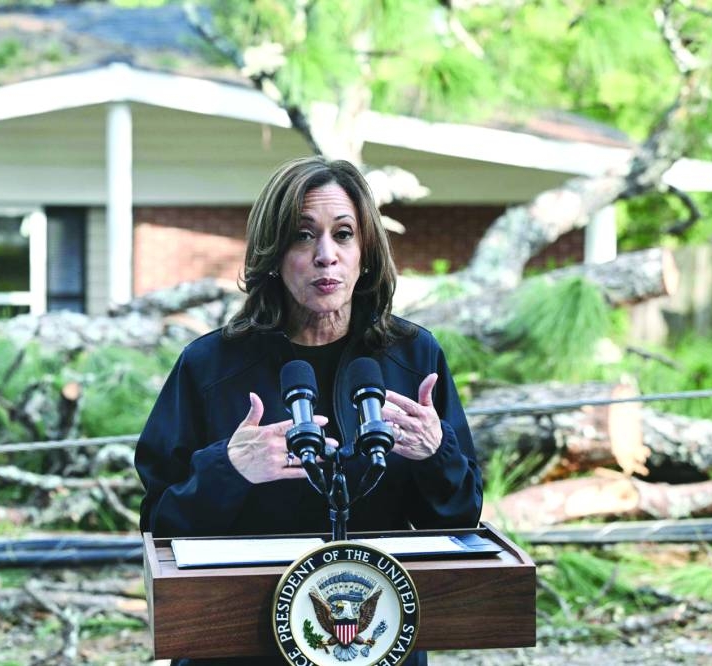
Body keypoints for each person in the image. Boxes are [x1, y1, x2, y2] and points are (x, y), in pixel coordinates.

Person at [135, 156, 483, 666]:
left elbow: (460, 516)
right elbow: (158, 526)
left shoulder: (414, 357)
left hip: (374, 640)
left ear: (365, 251)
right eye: (303, 236)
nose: (326, 256)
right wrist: (229, 470)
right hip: (238, 643)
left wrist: (436, 453)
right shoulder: (209, 366)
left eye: (343, 235)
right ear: (273, 254)